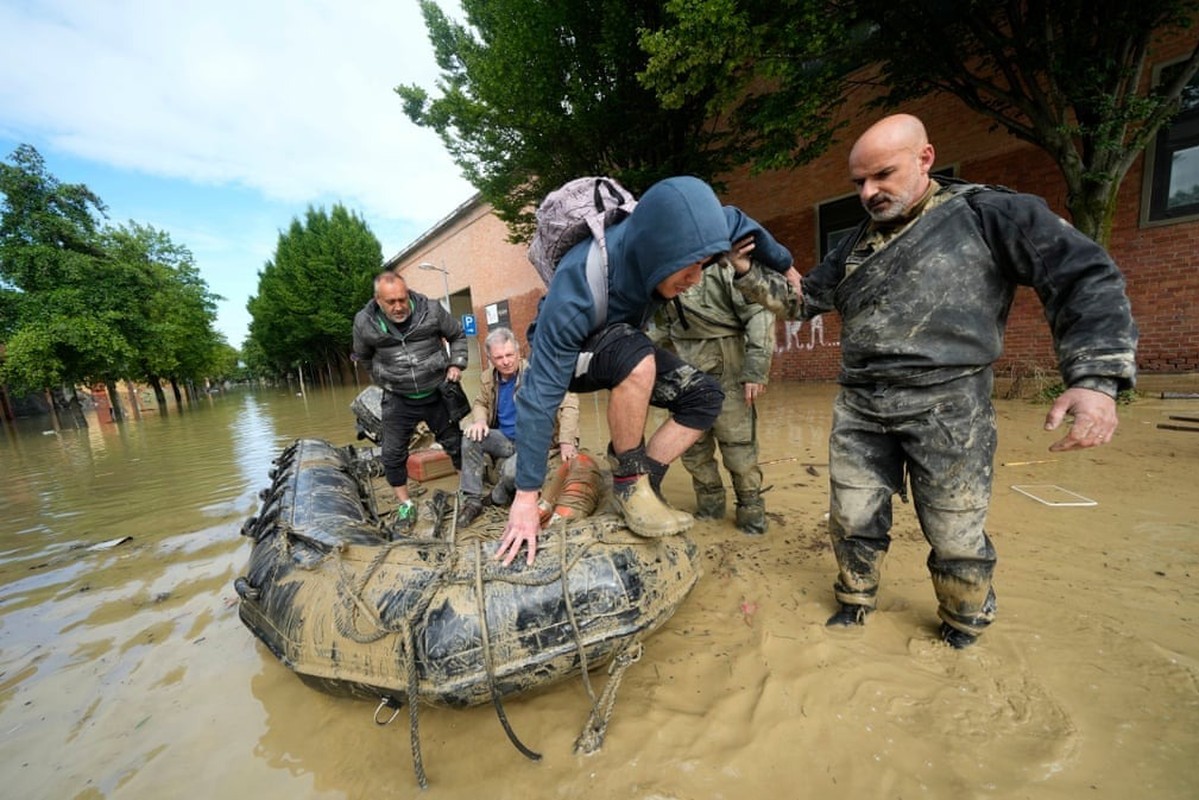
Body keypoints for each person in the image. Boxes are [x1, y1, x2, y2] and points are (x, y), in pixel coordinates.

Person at [733, 113, 1138, 648]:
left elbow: (1081, 275)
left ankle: (963, 623)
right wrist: (745, 272)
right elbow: (805, 301)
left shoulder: (990, 213)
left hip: (950, 405)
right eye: (859, 183)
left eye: (882, 175)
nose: (869, 192)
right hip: (861, 403)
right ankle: (855, 600)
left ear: (925, 158)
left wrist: (1095, 379)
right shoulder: (857, 242)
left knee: (954, 527)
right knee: (851, 515)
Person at [496, 175, 793, 566]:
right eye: (689, 268)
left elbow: (737, 221)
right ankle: (629, 481)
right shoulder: (575, 291)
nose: (696, 279)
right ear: (659, 253)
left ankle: (641, 485)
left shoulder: (685, 233)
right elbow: (536, 401)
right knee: (635, 352)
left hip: (623, 343)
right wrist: (526, 496)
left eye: (704, 265)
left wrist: (786, 266)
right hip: (575, 359)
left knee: (705, 397)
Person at [656, 262, 776, 534]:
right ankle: (710, 510)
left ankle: (751, 514)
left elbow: (759, 310)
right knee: (692, 446)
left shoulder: (722, 265)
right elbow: (658, 326)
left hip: (728, 361)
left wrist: (756, 369)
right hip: (682, 366)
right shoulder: (659, 269)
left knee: (738, 445)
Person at [352, 271, 468, 528]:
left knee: (455, 444)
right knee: (392, 454)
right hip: (398, 397)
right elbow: (363, 357)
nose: (398, 306)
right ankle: (406, 505)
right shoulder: (364, 323)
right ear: (378, 300)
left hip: (437, 391)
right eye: (391, 302)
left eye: (402, 300)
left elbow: (457, 335)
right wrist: (384, 379)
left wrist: (456, 364)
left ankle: (466, 493)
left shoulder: (432, 311)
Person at [456, 327, 580, 528]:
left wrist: (567, 441)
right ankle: (472, 500)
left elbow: (570, 402)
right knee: (470, 437)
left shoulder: (537, 373)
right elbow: (480, 403)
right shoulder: (489, 377)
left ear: (518, 351)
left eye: (509, 355)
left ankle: (498, 495)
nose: (505, 361)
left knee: (511, 472)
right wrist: (479, 421)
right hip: (505, 439)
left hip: (534, 441)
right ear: (490, 358)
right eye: (498, 357)